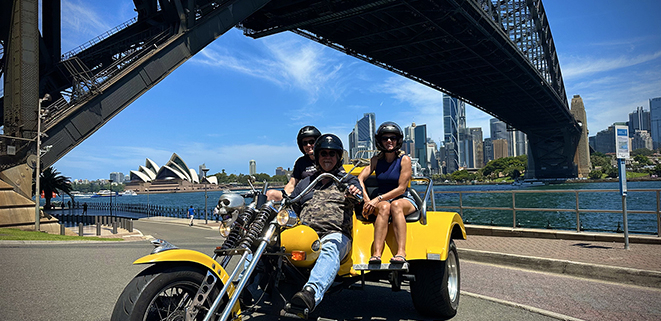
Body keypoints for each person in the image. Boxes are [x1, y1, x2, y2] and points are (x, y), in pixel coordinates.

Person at [287, 134, 363, 312]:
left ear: (338, 157)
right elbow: (292, 204)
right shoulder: (307, 182)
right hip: (304, 234)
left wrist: (354, 194)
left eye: (332, 154)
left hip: (336, 234)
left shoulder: (347, 180)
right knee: (269, 242)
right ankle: (246, 286)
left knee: (330, 247)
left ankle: (311, 293)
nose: (327, 157)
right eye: (323, 154)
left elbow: (361, 202)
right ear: (318, 157)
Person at [357, 121, 418, 264]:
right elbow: (360, 179)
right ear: (380, 141)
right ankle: (376, 253)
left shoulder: (405, 160)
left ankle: (401, 252)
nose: (389, 141)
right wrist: (366, 200)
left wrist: (376, 199)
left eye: (393, 138)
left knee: (395, 205)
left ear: (398, 140)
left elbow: (401, 188)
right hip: (382, 202)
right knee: (385, 207)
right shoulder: (376, 160)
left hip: (403, 198)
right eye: (385, 138)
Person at [266, 126, 321, 201]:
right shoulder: (301, 162)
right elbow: (292, 183)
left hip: (321, 194)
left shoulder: (327, 158)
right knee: (270, 194)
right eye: (305, 143)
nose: (308, 145)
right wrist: (285, 196)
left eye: (311, 142)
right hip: (304, 195)